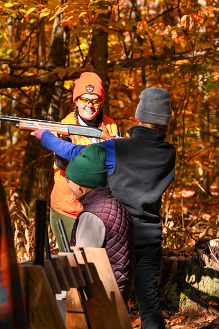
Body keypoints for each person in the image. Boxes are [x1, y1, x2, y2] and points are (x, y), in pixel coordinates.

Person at [32, 87, 176, 329]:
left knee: (107, 301)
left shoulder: (118, 149)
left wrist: (45, 137)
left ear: (137, 117)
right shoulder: (168, 153)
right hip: (150, 237)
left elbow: (78, 154)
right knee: (148, 303)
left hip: (116, 235)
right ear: (165, 123)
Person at [50, 72, 120, 251]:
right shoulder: (64, 127)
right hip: (69, 209)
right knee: (73, 265)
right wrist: (58, 143)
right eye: (84, 100)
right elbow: (64, 166)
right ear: (76, 100)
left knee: (98, 265)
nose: (89, 105)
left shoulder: (111, 126)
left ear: (101, 102)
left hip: (100, 210)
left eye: (95, 100)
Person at [65, 143, 135, 303]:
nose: (67, 182)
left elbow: (82, 267)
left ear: (82, 184)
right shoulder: (114, 204)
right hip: (116, 291)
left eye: (69, 179)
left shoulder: (92, 216)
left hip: (102, 299)